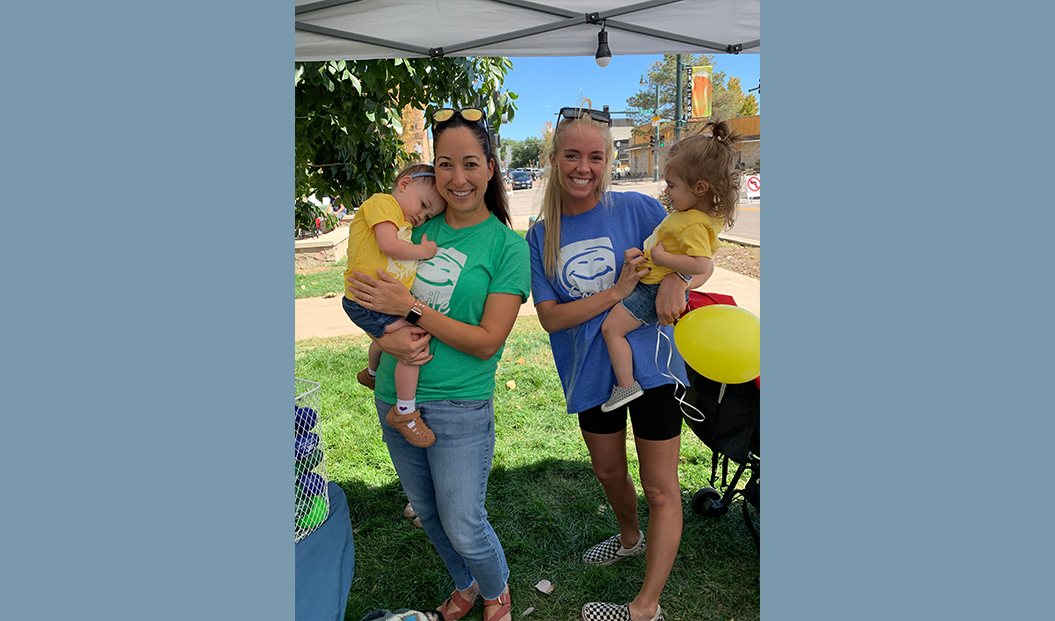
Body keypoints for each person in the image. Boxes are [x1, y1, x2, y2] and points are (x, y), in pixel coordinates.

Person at [527, 105, 711, 621]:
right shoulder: (541, 236)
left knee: (661, 487)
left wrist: (677, 279)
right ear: (554, 158)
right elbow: (551, 319)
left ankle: (644, 608)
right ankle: (630, 538)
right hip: (591, 373)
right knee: (608, 472)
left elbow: (694, 259)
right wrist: (618, 291)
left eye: (595, 156)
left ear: (608, 160)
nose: (582, 167)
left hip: (651, 368)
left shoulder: (638, 209)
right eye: (572, 155)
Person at [347, 106, 528, 621]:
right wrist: (388, 339)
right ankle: (466, 584)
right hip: (395, 397)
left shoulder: (506, 247)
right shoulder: (412, 225)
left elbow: (488, 341)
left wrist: (408, 310)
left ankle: (496, 592)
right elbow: (367, 296)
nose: (457, 177)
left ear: (490, 168)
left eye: (470, 163)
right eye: (445, 164)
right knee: (427, 513)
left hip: (459, 402)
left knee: (464, 520)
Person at [598, 120, 741, 412]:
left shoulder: (694, 224)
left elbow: (701, 264)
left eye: (673, 185)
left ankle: (625, 386)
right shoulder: (691, 215)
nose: (667, 191)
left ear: (699, 187)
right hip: (652, 283)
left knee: (612, 329)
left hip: (652, 293)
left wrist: (663, 261)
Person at [342, 163, 447, 448]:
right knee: (413, 343)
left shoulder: (400, 221)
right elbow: (388, 246)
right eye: (423, 205)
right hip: (368, 302)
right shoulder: (383, 204)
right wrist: (425, 251)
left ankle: (372, 374)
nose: (421, 216)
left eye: (428, 215)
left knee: (399, 333)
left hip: (378, 302)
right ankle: (405, 411)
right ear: (404, 184)